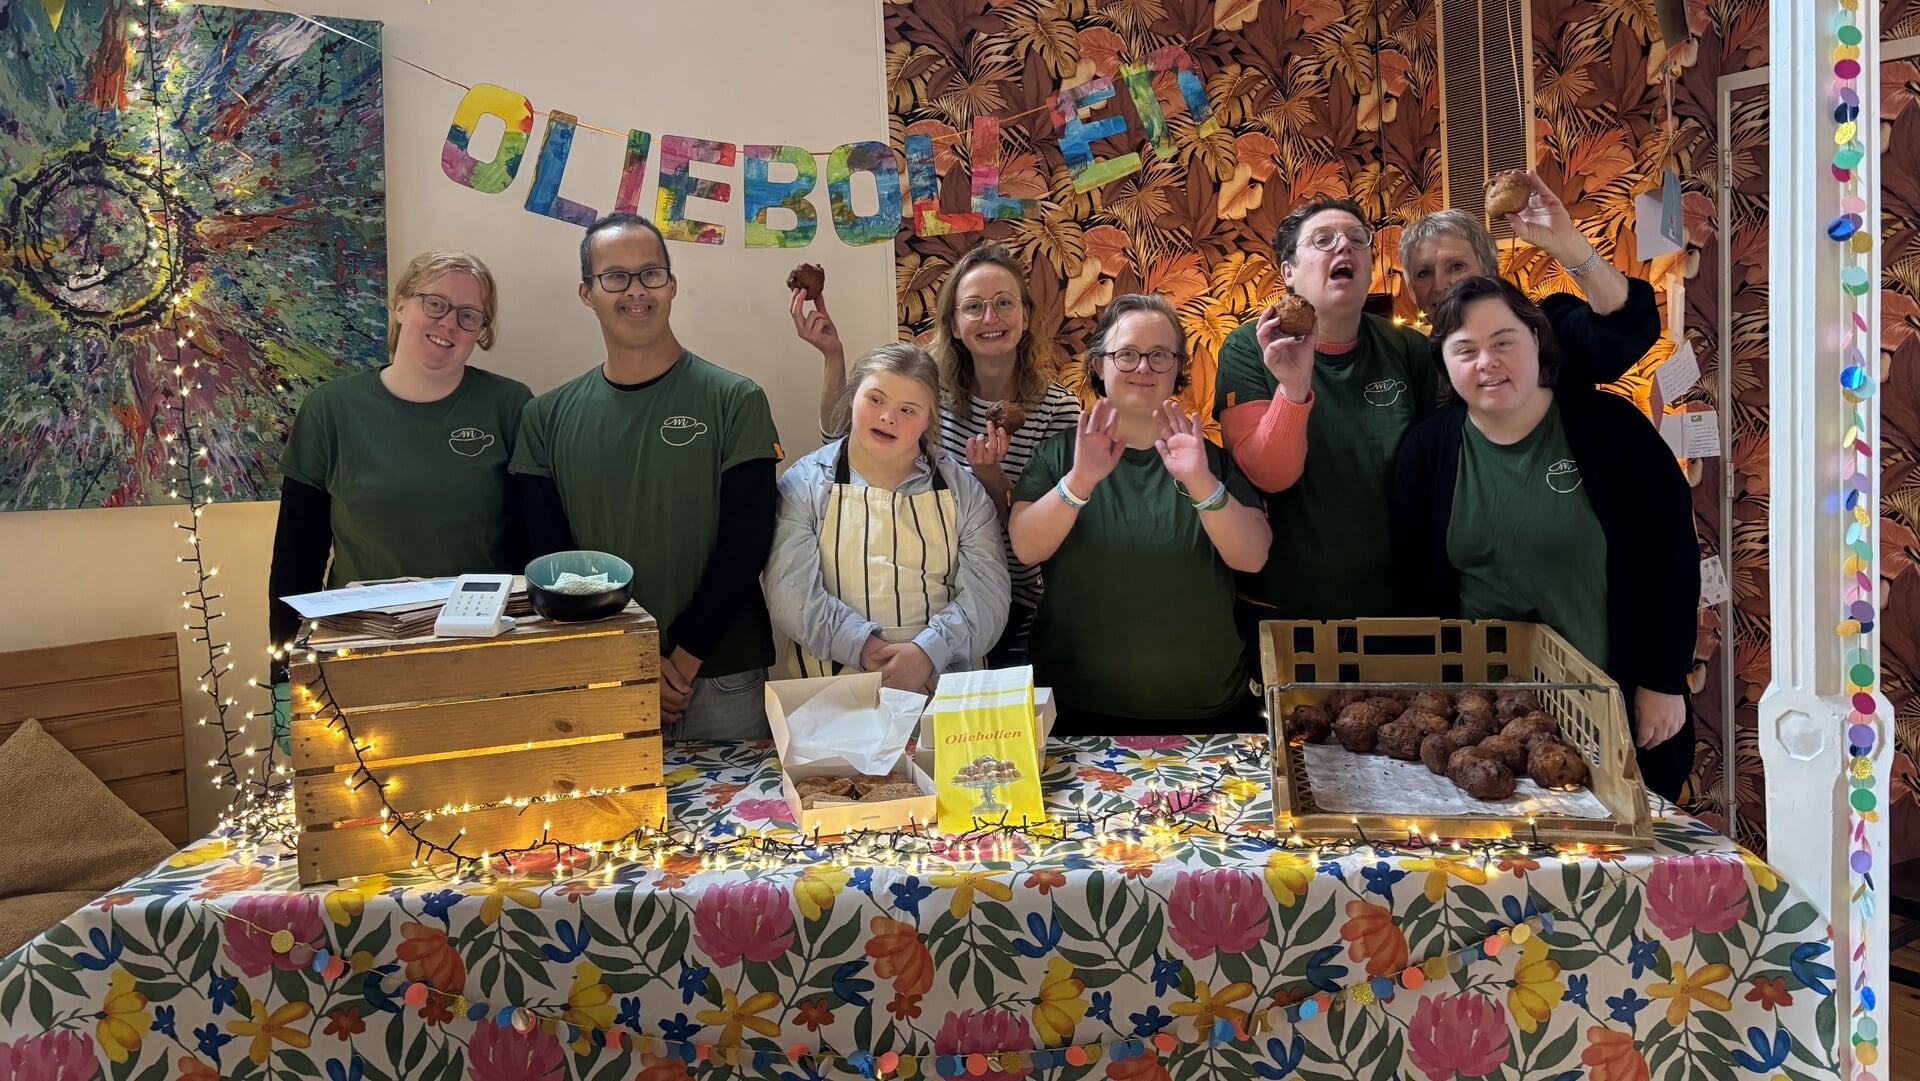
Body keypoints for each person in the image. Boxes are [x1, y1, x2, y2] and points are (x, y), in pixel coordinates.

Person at [1391, 276, 1697, 799]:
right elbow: (1413, 587)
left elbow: (1670, 556)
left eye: (1503, 341)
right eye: (1464, 350)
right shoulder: (1428, 452)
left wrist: (1665, 678)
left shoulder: (1608, 428)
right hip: (1483, 732)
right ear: (1443, 364)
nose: (1486, 361)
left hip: (1609, 702)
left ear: (1537, 339)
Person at [512, 213, 782, 740]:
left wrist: (681, 660)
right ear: (587, 293)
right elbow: (548, 561)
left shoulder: (735, 400)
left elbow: (747, 544)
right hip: (598, 677)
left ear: (672, 284)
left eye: (650, 273)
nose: (635, 291)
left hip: (720, 676)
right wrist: (624, 661)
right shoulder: (544, 418)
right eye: (614, 276)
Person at [268, 250, 530, 741]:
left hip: (484, 657)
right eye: (435, 304)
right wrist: (284, 672)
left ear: (480, 332)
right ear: (401, 305)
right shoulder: (330, 410)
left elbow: (531, 543)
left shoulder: (510, 406)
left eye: (468, 316)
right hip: (360, 657)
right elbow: (297, 555)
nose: (448, 324)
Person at [794, 242, 1078, 666]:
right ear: (955, 324)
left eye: (1004, 303)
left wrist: (992, 479)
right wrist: (833, 355)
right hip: (935, 603)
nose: (990, 318)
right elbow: (841, 448)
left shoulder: (1059, 410)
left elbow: (1050, 536)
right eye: (973, 307)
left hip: (1022, 602)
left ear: (1026, 316)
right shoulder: (929, 395)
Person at [1009, 294, 1271, 735]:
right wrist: (1081, 480)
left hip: (1208, 712)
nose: (1143, 367)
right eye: (1126, 354)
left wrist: (1200, 482)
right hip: (1076, 712)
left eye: (1160, 355)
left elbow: (1252, 557)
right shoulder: (1058, 456)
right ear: (1099, 365)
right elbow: (1026, 546)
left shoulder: (1210, 460)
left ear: (1178, 367)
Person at [1213, 197, 1436, 632]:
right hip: (1288, 605)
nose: (1345, 247)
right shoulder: (1248, 348)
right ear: (1288, 272)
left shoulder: (1408, 349)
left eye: (1358, 240)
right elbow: (1268, 475)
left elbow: (1435, 470)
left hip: (1396, 601)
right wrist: (1294, 389)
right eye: (1323, 240)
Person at [766, 343, 1010, 691]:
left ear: (929, 419)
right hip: (833, 690)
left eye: (908, 410)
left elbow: (989, 595)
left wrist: (927, 654)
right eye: (875, 399)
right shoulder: (805, 483)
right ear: (852, 398)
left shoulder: (963, 491)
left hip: (942, 689)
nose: (887, 417)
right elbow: (791, 594)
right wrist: (864, 647)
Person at [1398, 170, 1660, 383]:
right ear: (1412, 290)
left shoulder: (1547, 330)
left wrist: (1568, 244)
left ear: (1491, 273)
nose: (1441, 284)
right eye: (1423, 273)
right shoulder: (1412, 363)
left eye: (1456, 266)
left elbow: (1624, 326)